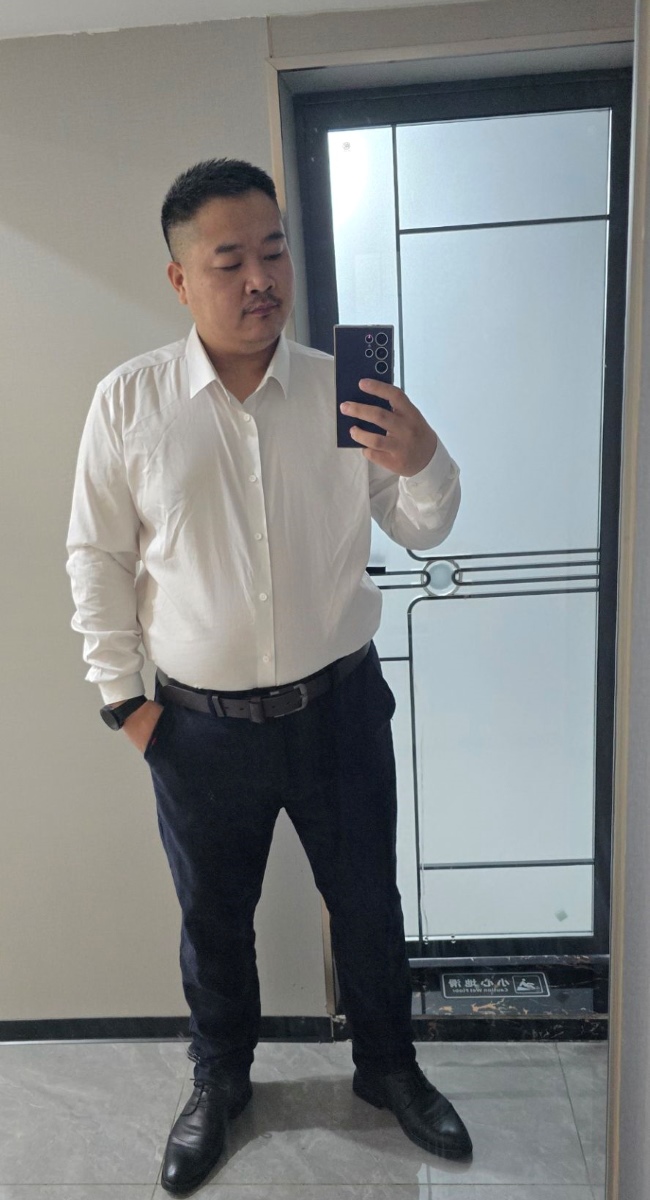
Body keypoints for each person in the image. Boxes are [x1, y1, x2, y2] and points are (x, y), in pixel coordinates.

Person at [66, 158, 471, 1196]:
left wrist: (424, 457)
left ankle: (388, 1068)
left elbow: (423, 527)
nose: (261, 279)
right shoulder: (131, 403)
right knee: (213, 922)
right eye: (230, 259)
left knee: (368, 905)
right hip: (196, 729)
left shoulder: (343, 389)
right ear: (179, 278)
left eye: (275, 251)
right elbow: (97, 557)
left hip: (338, 708)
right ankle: (221, 1084)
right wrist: (125, 703)